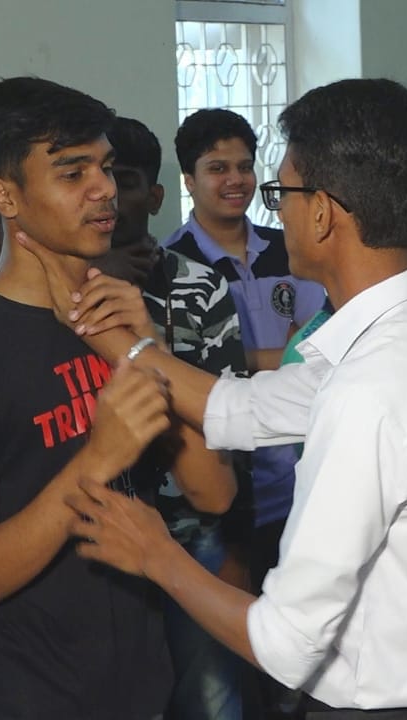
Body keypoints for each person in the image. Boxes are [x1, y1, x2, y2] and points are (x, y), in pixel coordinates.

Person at [21, 77, 407, 717]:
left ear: (322, 212)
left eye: (281, 193)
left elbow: (286, 643)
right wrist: (132, 344)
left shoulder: (374, 389)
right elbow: (237, 409)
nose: (274, 211)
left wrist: (157, 554)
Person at [0, 77, 236, 720]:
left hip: (143, 685)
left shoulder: (115, 320)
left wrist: (143, 347)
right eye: (73, 172)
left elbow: (213, 493)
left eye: (105, 168)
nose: (103, 188)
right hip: (25, 698)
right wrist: (98, 458)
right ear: (5, 196)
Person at [100, 116, 250, 720]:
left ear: (156, 195)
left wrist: (231, 541)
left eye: (125, 180)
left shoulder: (197, 286)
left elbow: (228, 422)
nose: (107, 195)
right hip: (101, 535)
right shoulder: (63, 292)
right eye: (95, 177)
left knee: (211, 702)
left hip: (191, 531)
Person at [163, 109, 324, 608]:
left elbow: (319, 347)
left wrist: (237, 360)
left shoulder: (288, 249)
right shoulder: (174, 267)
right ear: (188, 180)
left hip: (299, 471)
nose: (235, 180)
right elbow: (188, 375)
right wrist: (277, 356)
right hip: (224, 476)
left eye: (244, 166)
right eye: (217, 168)